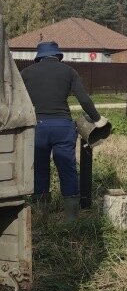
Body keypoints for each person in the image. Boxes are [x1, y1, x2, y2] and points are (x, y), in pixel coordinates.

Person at [21, 40, 107, 221]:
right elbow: (84, 99)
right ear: (58, 55)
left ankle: (41, 215)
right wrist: (97, 119)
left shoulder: (26, 73)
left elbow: (18, 102)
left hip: (38, 127)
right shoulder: (69, 71)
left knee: (39, 168)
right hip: (63, 126)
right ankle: (71, 218)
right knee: (67, 168)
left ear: (39, 57)